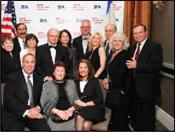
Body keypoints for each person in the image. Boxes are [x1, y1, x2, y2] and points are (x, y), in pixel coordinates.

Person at [126, 23, 163, 130]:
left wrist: (137, 65)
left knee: (148, 120)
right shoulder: (132, 48)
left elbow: (157, 66)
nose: (137, 35)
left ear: (146, 33)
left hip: (148, 90)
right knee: (137, 118)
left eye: (140, 32)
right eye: (135, 33)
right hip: (135, 90)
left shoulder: (155, 46)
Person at [1, 53, 50, 131]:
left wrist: (37, 108)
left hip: (33, 113)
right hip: (14, 114)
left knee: (44, 129)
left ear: (35, 63)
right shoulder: (12, 78)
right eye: (27, 62)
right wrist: (27, 112)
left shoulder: (40, 79)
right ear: (22, 63)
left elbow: (43, 98)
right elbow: (9, 100)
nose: (29, 65)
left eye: (32, 62)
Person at [103, 32, 131, 130]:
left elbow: (121, 75)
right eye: (115, 41)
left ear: (124, 43)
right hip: (115, 91)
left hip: (121, 93)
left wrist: (109, 82)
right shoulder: (114, 54)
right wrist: (107, 80)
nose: (117, 43)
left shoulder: (124, 54)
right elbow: (112, 72)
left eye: (120, 41)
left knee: (120, 120)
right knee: (116, 118)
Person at [40, 61, 80, 130]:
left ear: (65, 73)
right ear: (53, 73)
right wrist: (58, 112)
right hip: (54, 115)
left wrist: (71, 110)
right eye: (58, 71)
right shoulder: (47, 85)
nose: (60, 73)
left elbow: (77, 100)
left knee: (71, 127)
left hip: (70, 115)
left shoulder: (71, 83)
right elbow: (44, 104)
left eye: (62, 71)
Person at [74, 59, 105, 131]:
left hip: (95, 108)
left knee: (79, 117)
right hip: (82, 109)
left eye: (85, 67)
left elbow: (100, 98)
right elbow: (74, 97)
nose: (83, 70)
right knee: (86, 125)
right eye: (81, 67)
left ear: (89, 69)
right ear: (78, 70)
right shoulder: (75, 82)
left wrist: (85, 104)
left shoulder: (94, 81)